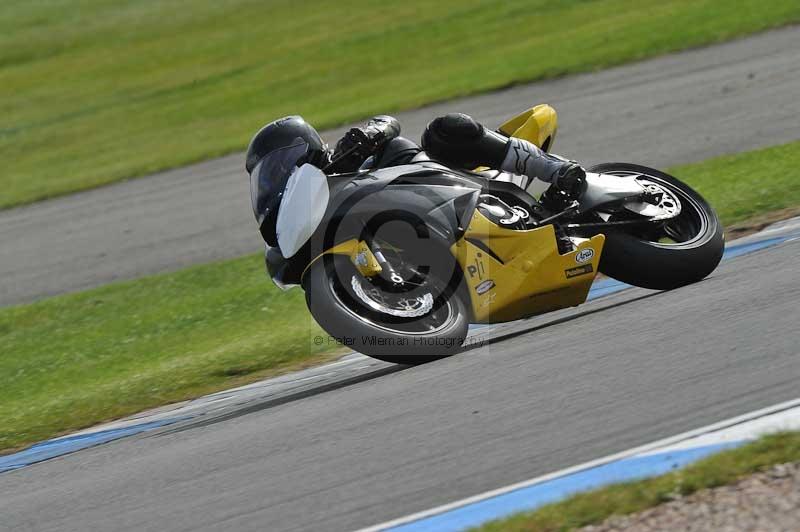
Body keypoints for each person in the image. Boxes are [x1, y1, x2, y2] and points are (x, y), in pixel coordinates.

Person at [245, 113, 586, 202]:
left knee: (445, 129)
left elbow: (388, 122)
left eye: (281, 162)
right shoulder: (309, 207)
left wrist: (369, 135)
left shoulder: (349, 150)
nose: (281, 173)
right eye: (270, 172)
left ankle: (557, 170)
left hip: (452, 181)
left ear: (303, 145)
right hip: (415, 219)